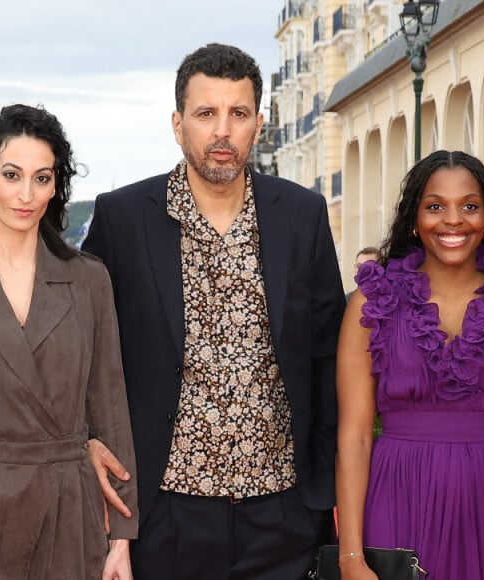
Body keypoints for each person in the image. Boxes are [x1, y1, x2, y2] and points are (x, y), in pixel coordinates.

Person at [82, 43, 345, 579]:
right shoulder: (123, 219)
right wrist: (85, 439)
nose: (222, 131)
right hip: (163, 511)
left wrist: (317, 495)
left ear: (259, 124)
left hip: (284, 514)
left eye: (238, 114)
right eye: (206, 114)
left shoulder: (303, 215)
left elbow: (327, 357)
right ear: (178, 124)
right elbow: (83, 350)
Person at [0, 104, 138, 580]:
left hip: (74, 520)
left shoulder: (89, 280)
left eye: (41, 178)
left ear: (55, 185)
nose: (26, 194)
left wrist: (123, 541)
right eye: (12, 174)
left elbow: (112, 417)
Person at [335, 150, 484, 580]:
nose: (453, 220)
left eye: (469, 206)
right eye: (435, 206)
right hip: (397, 503)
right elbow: (355, 436)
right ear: (414, 220)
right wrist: (352, 558)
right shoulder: (372, 303)